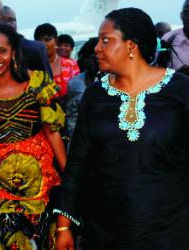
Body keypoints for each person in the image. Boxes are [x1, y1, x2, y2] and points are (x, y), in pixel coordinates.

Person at [55, 8, 189, 250]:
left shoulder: (180, 89)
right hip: (106, 231)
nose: (97, 47)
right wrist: (64, 225)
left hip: (171, 229)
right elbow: (77, 164)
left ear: (131, 46)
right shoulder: (95, 95)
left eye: (105, 40)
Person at [0, 23, 66, 250]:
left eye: (2, 50)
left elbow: (53, 133)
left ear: (14, 53)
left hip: (40, 184)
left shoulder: (38, 84)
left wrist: (70, 178)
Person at [35, 23, 80, 111]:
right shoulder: (32, 67)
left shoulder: (71, 65)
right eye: (40, 41)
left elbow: (78, 95)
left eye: (48, 40)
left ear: (56, 41)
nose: (44, 44)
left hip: (68, 118)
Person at [3, 5, 52, 78]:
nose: (8, 24)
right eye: (3, 20)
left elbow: (47, 83)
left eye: (11, 20)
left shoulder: (37, 48)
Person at [65, 38, 99, 138]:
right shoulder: (74, 84)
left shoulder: (112, 79)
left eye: (95, 59)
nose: (92, 63)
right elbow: (72, 117)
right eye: (88, 59)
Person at [161, 0, 189, 75]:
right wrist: (176, 76)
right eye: (187, 13)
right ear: (181, 15)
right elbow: (157, 72)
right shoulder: (168, 39)